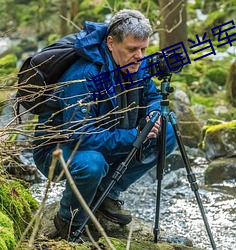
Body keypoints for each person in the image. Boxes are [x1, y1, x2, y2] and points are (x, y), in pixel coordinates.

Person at [33, 9, 177, 241]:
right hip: (59, 150)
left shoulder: (135, 63)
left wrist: (153, 114)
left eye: (144, 49)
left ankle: (107, 193)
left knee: (167, 132)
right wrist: (134, 135)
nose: (140, 56)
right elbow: (79, 135)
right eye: (132, 49)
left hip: (109, 135)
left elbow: (151, 95)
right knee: (92, 164)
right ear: (111, 43)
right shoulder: (84, 75)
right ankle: (68, 221)